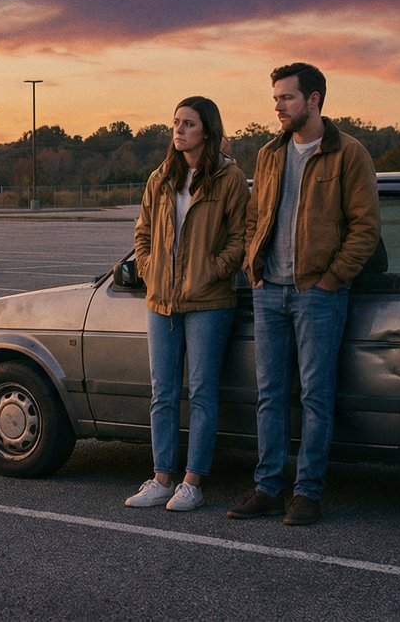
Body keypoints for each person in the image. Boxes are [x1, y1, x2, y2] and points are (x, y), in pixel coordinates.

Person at [228, 62, 380, 526]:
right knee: (270, 394)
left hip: (319, 295)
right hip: (269, 290)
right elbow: (255, 216)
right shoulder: (270, 154)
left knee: (316, 395)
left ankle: (307, 493)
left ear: (314, 100)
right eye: (275, 98)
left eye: (286, 98)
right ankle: (268, 487)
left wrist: (332, 279)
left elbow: (365, 228)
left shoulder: (349, 154)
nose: (277, 106)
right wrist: (253, 267)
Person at [123, 96, 249, 512]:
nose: (178, 130)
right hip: (161, 301)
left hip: (210, 301)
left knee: (202, 393)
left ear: (207, 131)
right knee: (162, 391)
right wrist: (148, 269)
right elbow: (142, 233)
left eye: (188, 124)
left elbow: (241, 236)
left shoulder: (228, 178)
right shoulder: (161, 177)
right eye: (175, 122)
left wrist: (215, 269)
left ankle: (192, 482)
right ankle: (162, 477)